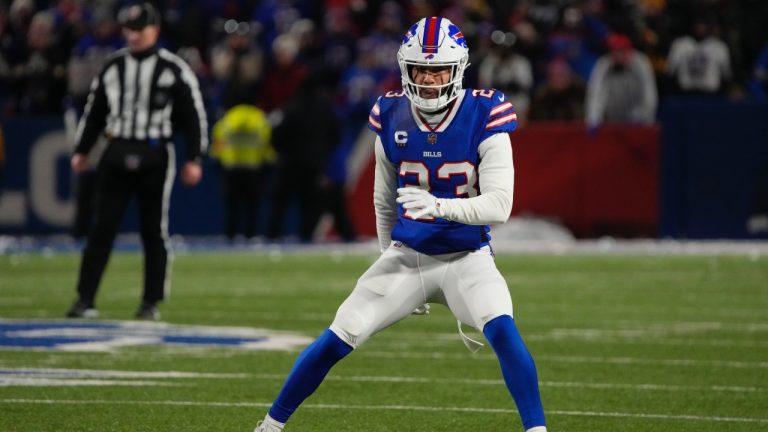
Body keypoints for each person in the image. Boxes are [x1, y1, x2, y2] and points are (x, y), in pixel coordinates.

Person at [253, 17, 547, 432]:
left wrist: (438, 206)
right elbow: (383, 201)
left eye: (438, 70)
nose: (428, 80)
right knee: (340, 334)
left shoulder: (485, 112)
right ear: (406, 69)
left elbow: (499, 206)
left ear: (458, 69)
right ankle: (269, 426)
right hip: (408, 257)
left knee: (501, 328)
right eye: (420, 70)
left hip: (467, 257)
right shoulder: (390, 113)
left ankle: (537, 430)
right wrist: (387, 253)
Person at [66, 2, 208, 320]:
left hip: (155, 154)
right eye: (128, 29)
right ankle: (84, 298)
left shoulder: (173, 68)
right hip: (116, 151)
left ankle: (150, 302)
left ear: (154, 30)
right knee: (101, 228)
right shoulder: (112, 66)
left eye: (139, 29)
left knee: (153, 231)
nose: (132, 35)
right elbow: (95, 111)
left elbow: (193, 115)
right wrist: (82, 149)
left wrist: (195, 157)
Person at [210, 104, 275, 240]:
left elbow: (217, 145)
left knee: (232, 206)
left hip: (231, 168)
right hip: (253, 168)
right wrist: (268, 161)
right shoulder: (259, 119)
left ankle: (229, 236)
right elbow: (267, 145)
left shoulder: (227, 118)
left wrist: (218, 161)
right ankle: (250, 235)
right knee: (252, 206)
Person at [585, 33, 657, 130]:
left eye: (621, 51)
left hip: (637, 117)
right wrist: (593, 120)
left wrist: (647, 120)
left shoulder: (641, 63)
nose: (617, 55)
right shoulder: (604, 64)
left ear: (629, 51)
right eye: (614, 51)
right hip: (611, 118)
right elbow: (596, 93)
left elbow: (649, 93)